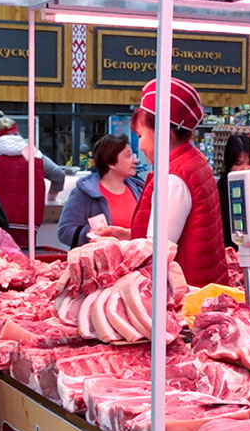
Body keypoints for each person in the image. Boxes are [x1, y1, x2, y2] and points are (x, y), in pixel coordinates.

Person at [94, 78, 228, 287]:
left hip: (183, 296)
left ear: (163, 133)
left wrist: (112, 253)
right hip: (199, 288)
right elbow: (179, 234)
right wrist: (127, 235)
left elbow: (155, 255)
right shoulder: (192, 161)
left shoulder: (175, 177)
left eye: (141, 135)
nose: (141, 146)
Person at [0, 110, 65, 247]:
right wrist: (52, 196)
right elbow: (58, 175)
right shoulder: (30, 153)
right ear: (17, 132)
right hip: (28, 218)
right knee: (24, 257)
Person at [57, 133, 143, 248]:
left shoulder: (139, 190)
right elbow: (65, 232)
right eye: (128, 156)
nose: (135, 161)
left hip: (136, 263)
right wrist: (94, 234)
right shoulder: (84, 193)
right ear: (111, 163)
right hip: (98, 264)